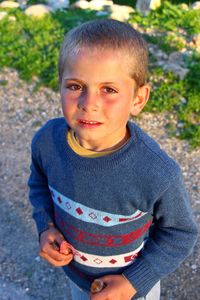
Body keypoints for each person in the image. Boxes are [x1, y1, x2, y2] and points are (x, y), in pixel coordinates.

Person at [28, 19, 198, 300]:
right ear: (59, 86)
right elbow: (39, 184)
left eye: (109, 89)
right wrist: (46, 226)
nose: (88, 102)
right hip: (77, 278)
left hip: (130, 291)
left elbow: (180, 233)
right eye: (75, 86)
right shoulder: (47, 142)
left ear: (138, 99)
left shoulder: (156, 172)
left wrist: (132, 283)